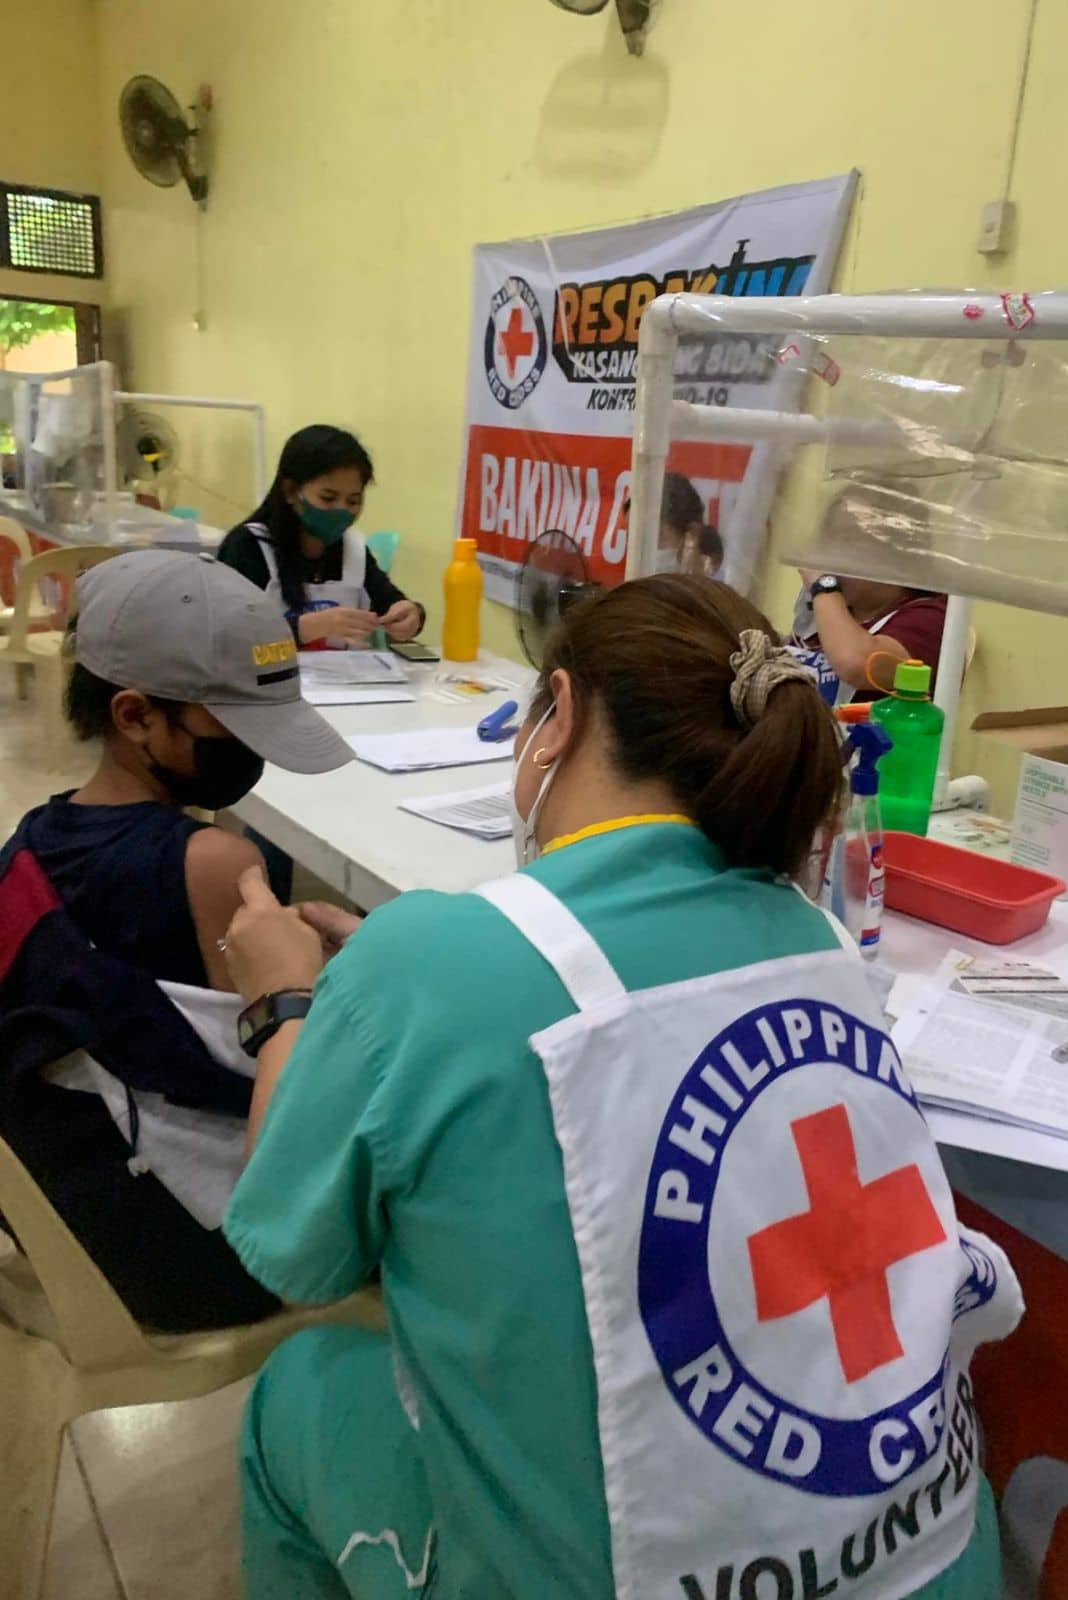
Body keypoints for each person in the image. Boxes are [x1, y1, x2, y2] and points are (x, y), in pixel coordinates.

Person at [220, 574, 1021, 1600]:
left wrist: (285, 1005)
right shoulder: (818, 928)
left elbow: (300, 1265)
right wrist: (415, 981)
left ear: (558, 713)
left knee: (296, 1388)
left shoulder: (428, 962)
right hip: (939, 1559)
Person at [0, 550, 354, 1331]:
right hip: (194, 1248)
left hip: (73, 1210)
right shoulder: (218, 864)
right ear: (133, 715)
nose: (255, 754)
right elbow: (295, 1097)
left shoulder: (32, 837)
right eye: (235, 729)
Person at [218, 424, 426, 651]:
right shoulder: (248, 546)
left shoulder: (353, 551)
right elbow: (226, 634)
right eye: (328, 498)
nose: (341, 511)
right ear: (290, 491)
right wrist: (301, 628)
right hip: (268, 684)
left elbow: (389, 602)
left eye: (353, 501)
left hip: (342, 682)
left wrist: (411, 614)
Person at [789, 481, 948, 707]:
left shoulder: (930, 620)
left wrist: (823, 586)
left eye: (849, 540)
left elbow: (856, 663)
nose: (832, 554)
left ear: (898, 550)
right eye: (830, 539)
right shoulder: (833, 604)